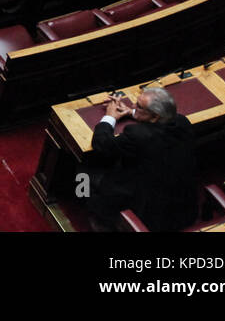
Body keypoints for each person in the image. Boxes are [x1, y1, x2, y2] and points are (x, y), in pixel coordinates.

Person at [83, 85, 198, 231]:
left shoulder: (137, 134)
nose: (132, 105)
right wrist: (133, 112)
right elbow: (157, 127)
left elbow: (101, 143)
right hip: (182, 203)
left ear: (155, 116)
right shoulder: (182, 122)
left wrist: (110, 117)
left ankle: (97, 215)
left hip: (149, 210)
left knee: (84, 170)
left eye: (139, 106)